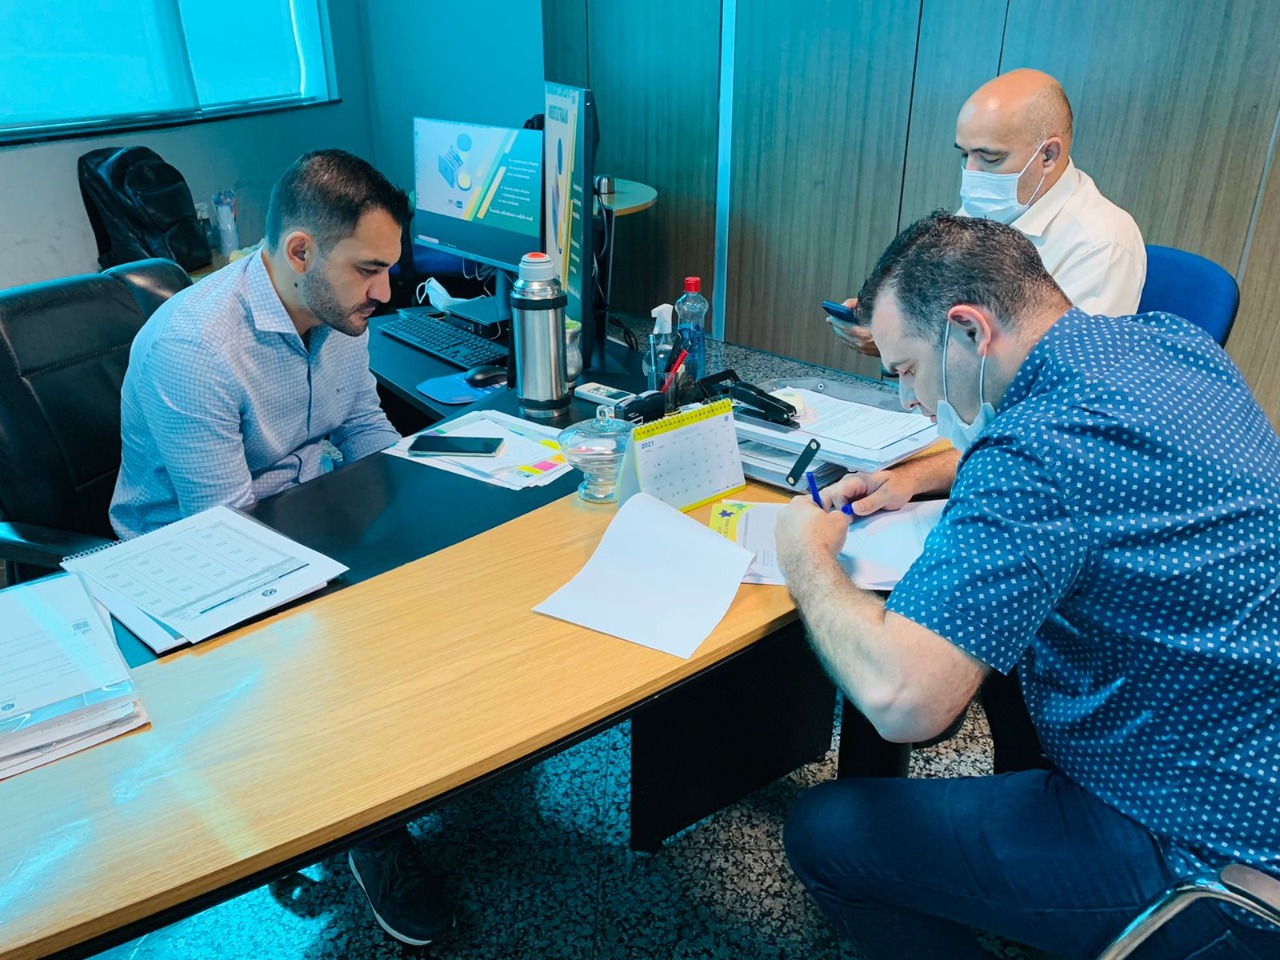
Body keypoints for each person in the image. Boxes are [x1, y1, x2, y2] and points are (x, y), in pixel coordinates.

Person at [776, 211, 1280, 959]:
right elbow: (1065, 452)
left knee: (830, 832)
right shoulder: (1172, 344)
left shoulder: (1036, 456)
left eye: (906, 369)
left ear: (970, 331)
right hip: (1249, 738)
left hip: (1215, 862)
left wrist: (805, 556)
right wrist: (914, 475)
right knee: (1007, 650)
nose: (912, 401)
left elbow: (905, 699)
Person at [109, 150, 454, 947]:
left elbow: (365, 428)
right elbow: (225, 527)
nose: (385, 293)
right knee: (341, 655)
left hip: (303, 514)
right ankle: (370, 833)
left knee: (443, 584)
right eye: (369, 269)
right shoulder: (194, 349)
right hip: (189, 562)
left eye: (390, 269)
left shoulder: (338, 316)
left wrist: (426, 509)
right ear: (299, 252)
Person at [831, 68, 1145, 357]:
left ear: (1048, 155)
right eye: (964, 155)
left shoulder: (1102, 243)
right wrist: (889, 324)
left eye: (990, 158)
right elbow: (938, 310)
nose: (972, 174)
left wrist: (908, 344)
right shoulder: (984, 208)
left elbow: (1061, 372)